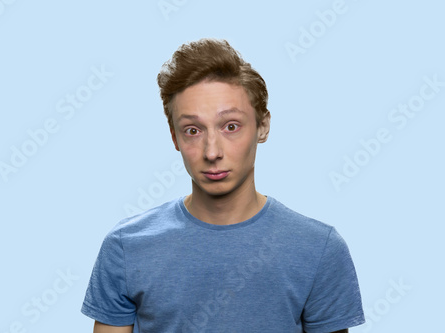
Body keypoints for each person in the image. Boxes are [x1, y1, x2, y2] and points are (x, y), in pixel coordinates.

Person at [81, 38, 365, 333]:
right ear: (174, 137)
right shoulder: (126, 246)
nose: (212, 152)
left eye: (231, 126)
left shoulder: (319, 249)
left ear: (263, 126)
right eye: (193, 130)